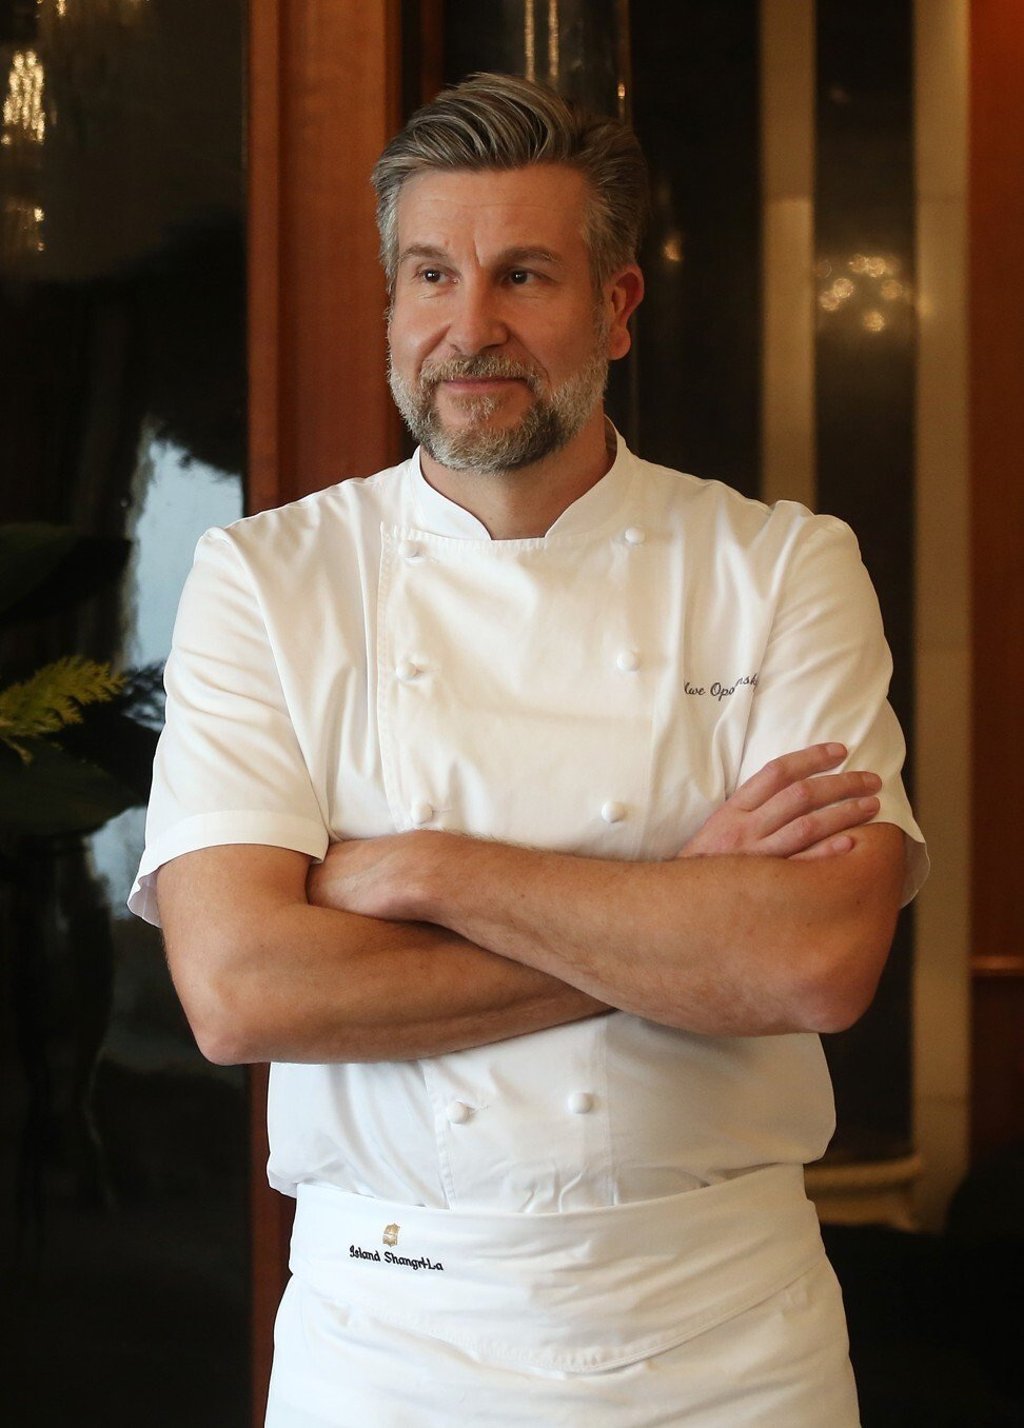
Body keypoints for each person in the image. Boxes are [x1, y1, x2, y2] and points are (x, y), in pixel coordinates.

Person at [129, 72, 928, 1427]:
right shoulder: (266, 581)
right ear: (391, 304)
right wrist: (681, 913)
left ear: (616, 308)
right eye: (431, 274)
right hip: (388, 1333)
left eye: (525, 277)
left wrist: (427, 868)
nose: (467, 327)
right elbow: (242, 991)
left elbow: (812, 960)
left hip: (723, 1336)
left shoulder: (783, 567)